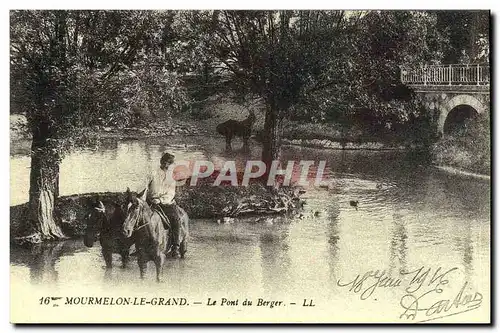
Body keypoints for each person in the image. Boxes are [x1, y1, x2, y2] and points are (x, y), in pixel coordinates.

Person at [146, 152, 182, 258]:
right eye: (164, 162)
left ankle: (175, 247)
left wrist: (160, 200)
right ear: (161, 162)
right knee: (138, 217)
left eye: (169, 163)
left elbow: (171, 193)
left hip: (166, 204)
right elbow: (144, 187)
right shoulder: (152, 173)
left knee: (176, 220)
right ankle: (137, 246)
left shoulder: (171, 177)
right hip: (151, 202)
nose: (166, 165)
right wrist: (143, 199)